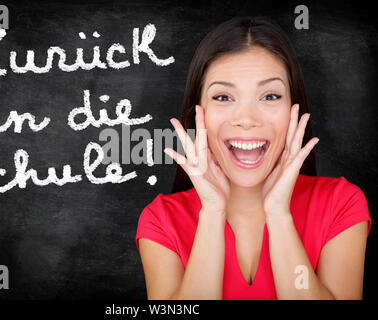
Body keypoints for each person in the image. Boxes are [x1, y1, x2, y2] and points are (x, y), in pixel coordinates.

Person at [135, 16, 371, 300]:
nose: (246, 119)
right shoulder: (161, 220)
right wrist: (212, 215)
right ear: (200, 114)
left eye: (270, 96)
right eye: (223, 97)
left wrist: (279, 215)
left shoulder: (341, 203)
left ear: (293, 110)